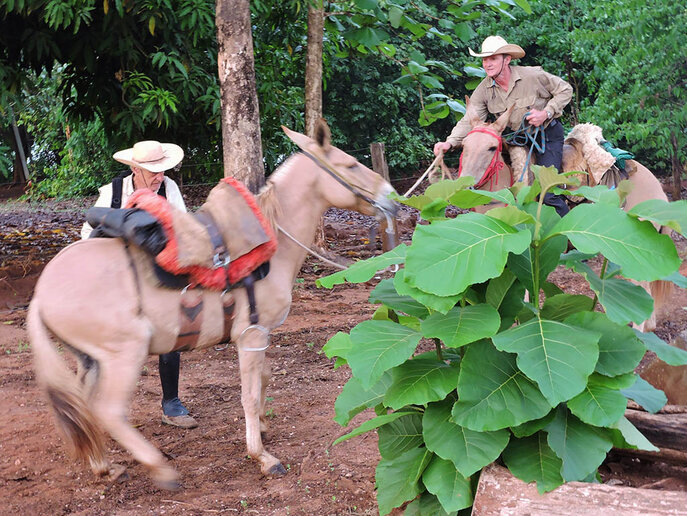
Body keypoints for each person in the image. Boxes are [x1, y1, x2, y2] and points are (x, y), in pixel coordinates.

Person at [81, 140, 198, 429]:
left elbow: (182, 226)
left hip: (156, 270)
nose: (159, 176)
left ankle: (171, 402)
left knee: (172, 326)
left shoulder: (169, 189)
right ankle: (96, 405)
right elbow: (87, 235)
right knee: (104, 337)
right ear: (135, 169)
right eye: (152, 172)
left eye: (162, 170)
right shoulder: (113, 192)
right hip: (117, 273)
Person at [434, 35, 573, 217]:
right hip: (517, 139)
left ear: (506, 60)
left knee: (547, 192)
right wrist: (449, 143)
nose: (487, 64)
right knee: (507, 185)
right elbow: (469, 121)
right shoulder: (483, 90)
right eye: (485, 59)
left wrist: (545, 113)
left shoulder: (533, 76)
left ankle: (564, 235)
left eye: (493, 59)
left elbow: (565, 90)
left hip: (546, 136)